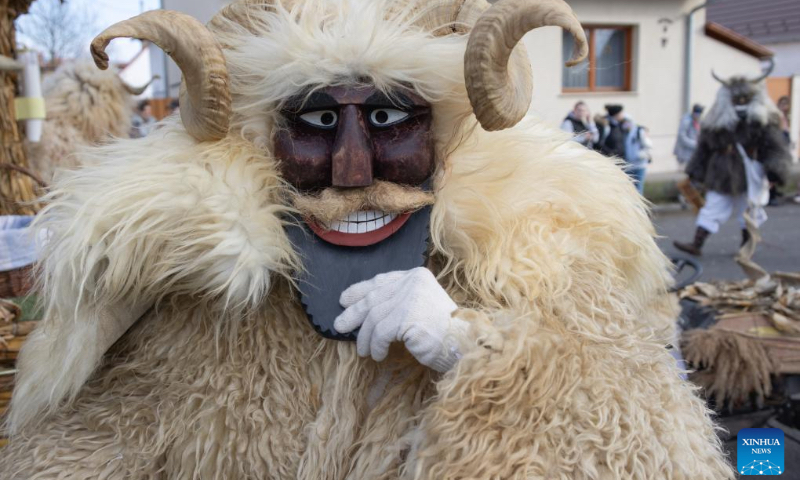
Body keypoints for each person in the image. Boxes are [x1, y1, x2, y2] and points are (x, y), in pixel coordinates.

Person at [2, 2, 733, 478]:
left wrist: (479, 351)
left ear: (445, 136)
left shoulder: (546, 271)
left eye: (388, 122)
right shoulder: (198, 304)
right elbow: (81, 447)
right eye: (318, 124)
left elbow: (656, 450)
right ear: (265, 140)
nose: (351, 172)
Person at [673, 64, 790, 256]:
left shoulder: (763, 120)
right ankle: (696, 244)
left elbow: (773, 148)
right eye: (737, 98)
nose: (741, 102)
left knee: (749, 211)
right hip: (721, 172)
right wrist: (695, 171)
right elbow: (704, 147)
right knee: (712, 207)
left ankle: (746, 248)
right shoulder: (716, 120)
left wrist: (775, 172)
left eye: (745, 98)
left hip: (749, 173)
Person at [625, 125, 653, 194]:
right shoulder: (627, 134)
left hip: (639, 164)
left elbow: (648, 145)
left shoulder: (639, 133)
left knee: (638, 187)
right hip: (631, 164)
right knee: (631, 187)